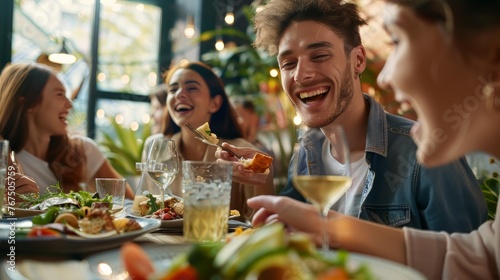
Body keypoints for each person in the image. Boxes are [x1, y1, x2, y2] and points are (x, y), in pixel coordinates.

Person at [247, 0, 500, 278]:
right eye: (288, 63)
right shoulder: (308, 148)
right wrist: (267, 183)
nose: (385, 77)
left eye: (397, 41)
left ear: (358, 60)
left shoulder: (424, 152)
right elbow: (477, 256)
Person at [142, 61, 275, 220]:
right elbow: (146, 211)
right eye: (173, 89)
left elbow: (260, 221)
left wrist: (265, 171)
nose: (179, 94)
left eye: (191, 88)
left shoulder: (241, 154)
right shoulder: (156, 147)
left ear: (215, 103)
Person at [0, 62, 134, 199]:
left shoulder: (83, 150)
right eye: (59, 94)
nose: (69, 104)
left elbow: (129, 204)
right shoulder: (5, 159)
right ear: (28, 104)